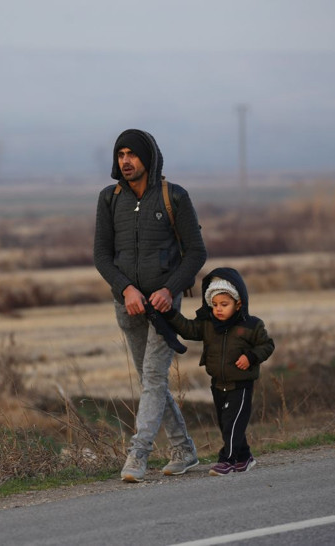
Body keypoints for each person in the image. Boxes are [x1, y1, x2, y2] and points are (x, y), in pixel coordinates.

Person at [93, 128, 207, 482]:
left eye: (132, 154)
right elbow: (101, 256)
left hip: (163, 308)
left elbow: (196, 253)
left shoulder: (175, 196)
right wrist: (126, 289)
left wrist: (168, 289)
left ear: (148, 157)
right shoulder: (109, 199)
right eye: (120, 154)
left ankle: (137, 456)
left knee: (154, 378)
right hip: (127, 306)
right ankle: (184, 450)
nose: (125, 161)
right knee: (150, 382)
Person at [164, 267, 275, 476]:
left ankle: (228, 460)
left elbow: (267, 345)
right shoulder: (208, 325)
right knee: (226, 424)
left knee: (233, 424)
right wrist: (169, 313)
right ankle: (244, 457)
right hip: (217, 384)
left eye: (224, 305)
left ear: (238, 303)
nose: (219, 309)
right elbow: (187, 329)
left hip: (241, 385)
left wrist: (251, 357)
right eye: (214, 305)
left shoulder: (251, 325)